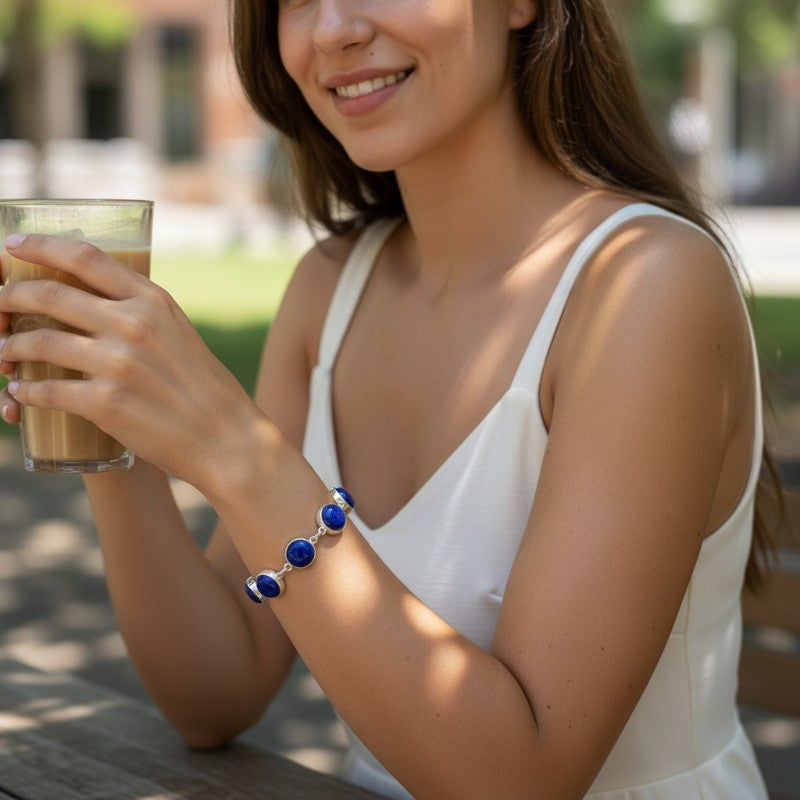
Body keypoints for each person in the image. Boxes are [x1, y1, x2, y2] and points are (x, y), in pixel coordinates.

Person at [0, 1, 778, 798]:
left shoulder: (644, 286)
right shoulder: (331, 289)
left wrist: (235, 451)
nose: (333, 29)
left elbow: (523, 779)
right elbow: (216, 689)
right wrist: (101, 407)